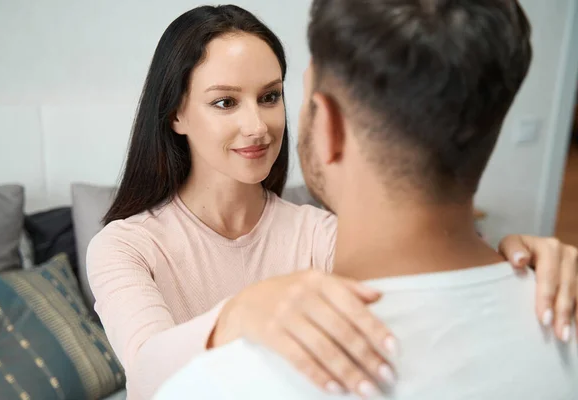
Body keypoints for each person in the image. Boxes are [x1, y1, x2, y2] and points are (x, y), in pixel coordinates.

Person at [87, 4, 578, 400]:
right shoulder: (126, 246)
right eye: (224, 102)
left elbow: (431, 288)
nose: (258, 126)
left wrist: (517, 262)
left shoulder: (322, 233)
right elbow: (148, 377)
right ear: (175, 114)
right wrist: (237, 315)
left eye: (270, 96)